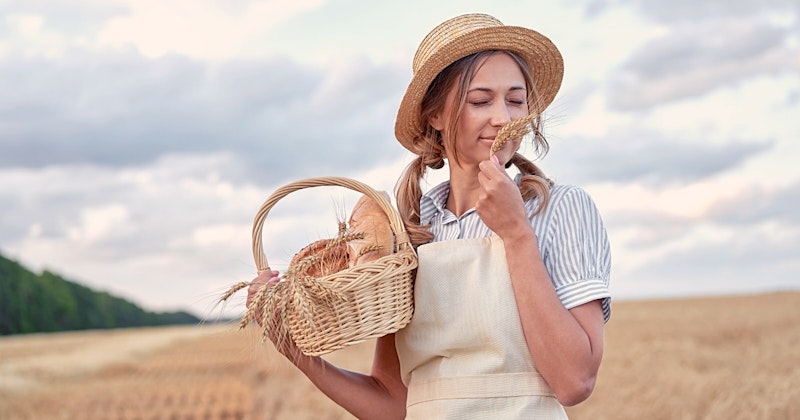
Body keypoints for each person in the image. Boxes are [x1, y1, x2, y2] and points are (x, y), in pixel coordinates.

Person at [247, 13, 611, 419]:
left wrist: (517, 234)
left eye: (515, 99)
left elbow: (575, 381)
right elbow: (393, 402)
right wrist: (294, 350)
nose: (503, 118)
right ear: (435, 115)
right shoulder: (410, 230)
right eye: (480, 100)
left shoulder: (559, 208)